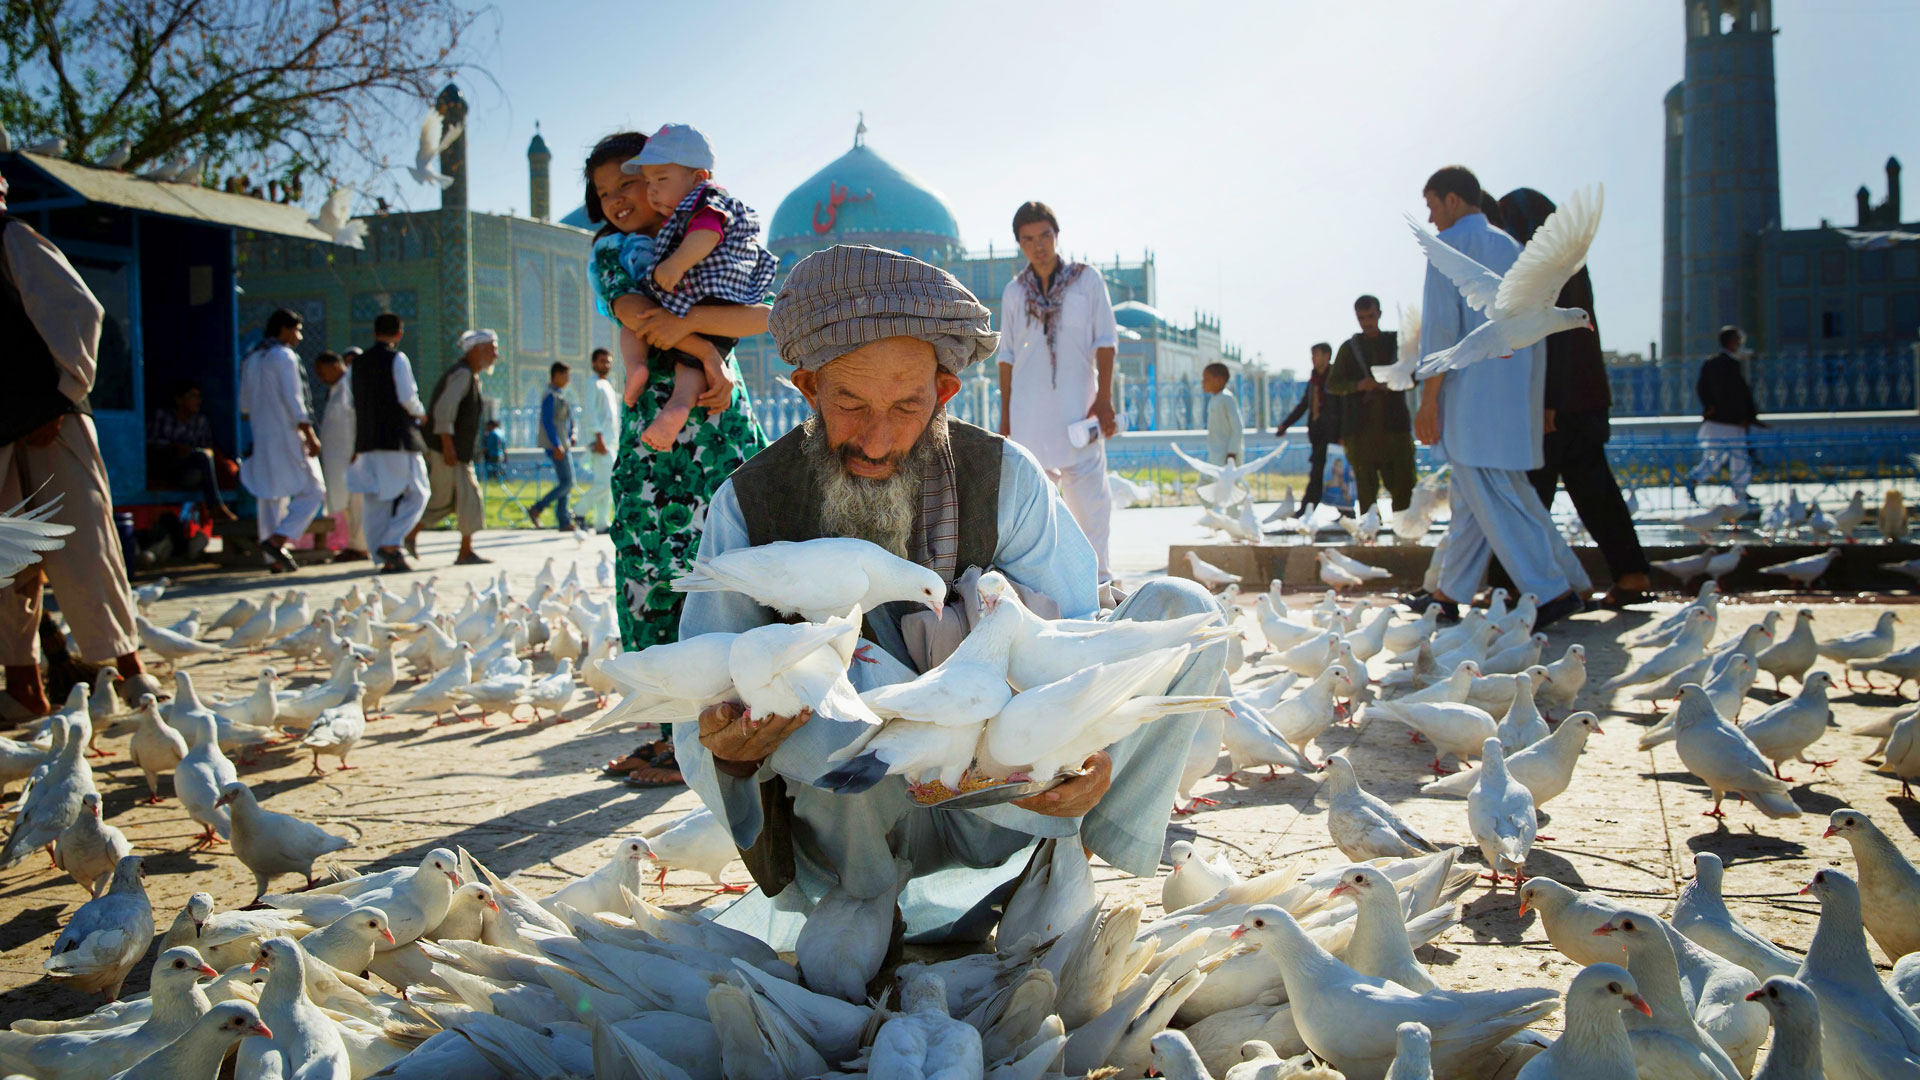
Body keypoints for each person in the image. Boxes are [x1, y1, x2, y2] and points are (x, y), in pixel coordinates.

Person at [678, 244, 1228, 949]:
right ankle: (866, 915)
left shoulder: (1006, 479)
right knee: (819, 690)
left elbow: (1076, 646)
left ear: (943, 391)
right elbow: (697, 691)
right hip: (853, 813)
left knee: (1184, 614)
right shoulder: (751, 504)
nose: (877, 440)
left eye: (906, 405)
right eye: (849, 403)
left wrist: (1093, 758)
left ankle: (1063, 868)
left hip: (1009, 797)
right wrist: (728, 748)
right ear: (806, 387)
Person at [583, 130, 773, 789]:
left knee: (722, 572)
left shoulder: (706, 237)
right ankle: (673, 734)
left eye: (634, 182)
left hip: (716, 428)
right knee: (652, 576)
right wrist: (708, 349)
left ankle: (723, 734)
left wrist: (711, 351)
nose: (622, 200)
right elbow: (635, 312)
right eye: (607, 191)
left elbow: (761, 315)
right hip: (659, 440)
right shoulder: (613, 252)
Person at [0, 172, 151, 720]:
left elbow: (80, 312)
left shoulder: (11, 239)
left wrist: (60, 397)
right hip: (1, 432)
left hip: (51, 424)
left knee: (86, 549)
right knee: (7, 561)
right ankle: (24, 686)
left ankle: (131, 677)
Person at [1410, 166, 1585, 630]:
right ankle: (1450, 593)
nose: (1431, 220)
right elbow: (1539, 332)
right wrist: (1532, 405)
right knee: (1477, 497)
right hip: (1510, 399)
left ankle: (1551, 592)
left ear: (1452, 200)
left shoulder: (1451, 248)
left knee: (1493, 497)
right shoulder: (1511, 247)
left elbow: (1441, 331)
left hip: (1471, 398)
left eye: (1431, 206)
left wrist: (1428, 403)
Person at [1496, 188, 1651, 608]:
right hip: (1585, 400)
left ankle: (1512, 587)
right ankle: (1631, 575)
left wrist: (1547, 404)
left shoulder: (1550, 273)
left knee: (1525, 496)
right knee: (1595, 492)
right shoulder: (1571, 266)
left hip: (1557, 407)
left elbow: (1557, 343)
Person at [618, 122, 778, 451]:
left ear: (698, 178)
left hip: (714, 297)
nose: (652, 191)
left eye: (661, 179)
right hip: (683, 300)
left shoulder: (708, 201)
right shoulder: (674, 218)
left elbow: (707, 235)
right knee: (633, 325)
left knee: (688, 370)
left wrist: (676, 264)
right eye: (648, 182)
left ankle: (677, 408)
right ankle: (636, 368)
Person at [996, 201, 1120, 582]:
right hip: (1029, 416)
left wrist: (1103, 399)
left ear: (1056, 235)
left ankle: (1098, 583)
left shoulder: (1087, 280)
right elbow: (1007, 356)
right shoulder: (1016, 292)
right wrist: (1005, 416)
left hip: (1078, 412)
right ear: (1019, 244)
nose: (1039, 246)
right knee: (1037, 511)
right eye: (1028, 239)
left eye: (1045, 236)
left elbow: (1106, 340)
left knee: (1091, 506)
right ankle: (1048, 588)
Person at [237, 308, 326, 573]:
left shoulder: (251, 359)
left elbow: (244, 405)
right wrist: (309, 434)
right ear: (284, 329)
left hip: (262, 436)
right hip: (289, 434)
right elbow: (295, 400)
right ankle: (278, 540)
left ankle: (273, 558)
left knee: (269, 494)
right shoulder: (285, 357)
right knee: (314, 490)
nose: (298, 337)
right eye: (297, 330)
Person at [347, 312, 429, 574]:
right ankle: (391, 543)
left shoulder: (357, 363)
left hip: (368, 440)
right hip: (396, 438)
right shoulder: (397, 359)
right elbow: (407, 396)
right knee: (418, 492)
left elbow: (351, 401)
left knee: (377, 498)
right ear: (399, 334)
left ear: (373, 332)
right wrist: (420, 412)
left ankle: (382, 555)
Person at [412, 328, 498, 565]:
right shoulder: (461, 375)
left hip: (456, 452)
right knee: (450, 499)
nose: (495, 356)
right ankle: (408, 536)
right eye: (491, 350)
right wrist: (448, 445)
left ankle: (463, 550)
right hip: (447, 451)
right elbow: (443, 411)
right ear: (476, 350)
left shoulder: (470, 375)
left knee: (457, 500)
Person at [1325, 295, 1417, 512]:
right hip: (1360, 432)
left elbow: (1416, 377)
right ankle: (1370, 538)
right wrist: (1359, 385)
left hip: (1394, 430)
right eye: (1362, 317)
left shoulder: (1397, 343)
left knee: (1404, 487)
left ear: (1380, 315)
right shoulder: (1349, 348)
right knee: (1366, 493)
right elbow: (1333, 385)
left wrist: (1394, 382)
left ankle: (1405, 539)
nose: (1366, 322)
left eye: (1371, 316)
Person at [1685, 325, 1762, 505]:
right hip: (1730, 421)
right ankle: (1739, 492)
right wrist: (1745, 416)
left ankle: (1696, 480)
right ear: (1733, 342)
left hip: (1717, 420)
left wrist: (1709, 407)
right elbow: (1737, 393)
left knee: (1717, 456)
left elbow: (1701, 387)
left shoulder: (1712, 363)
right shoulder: (1730, 365)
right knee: (1737, 456)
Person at [146, 380, 238, 523]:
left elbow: (209, 448)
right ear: (179, 400)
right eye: (192, 396)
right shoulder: (162, 417)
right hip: (167, 467)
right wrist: (175, 448)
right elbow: (150, 443)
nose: (198, 401)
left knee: (204, 457)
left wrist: (194, 451)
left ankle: (215, 506)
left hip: (190, 470)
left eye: (199, 397)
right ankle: (214, 506)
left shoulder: (200, 421)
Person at [313, 352, 368, 562]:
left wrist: (359, 449)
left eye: (321, 371)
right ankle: (353, 545)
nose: (320, 376)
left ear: (335, 366)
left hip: (352, 457)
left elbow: (362, 418)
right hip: (338, 460)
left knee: (357, 502)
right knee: (345, 503)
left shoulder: (351, 385)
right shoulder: (336, 389)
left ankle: (361, 546)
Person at [1276, 343, 1341, 510]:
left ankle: (1308, 509)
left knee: (1326, 472)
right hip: (1317, 433)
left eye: (1316, 355)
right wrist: (1285, 425)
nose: (1313, 359)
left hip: (1333, 434)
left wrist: (1343, 434)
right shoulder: (1314, 381)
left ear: (1327, 356)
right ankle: (1340, 512)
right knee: (1322, 471)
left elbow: (1344, 407)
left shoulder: (1335, 379)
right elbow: (1304, 405)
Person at [529, 362, 576, 530]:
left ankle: (563, 521)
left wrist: (572, 434)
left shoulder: (559, 395)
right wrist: (556, 445)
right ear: (556, 375)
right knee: (568, 483)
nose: (568, 380)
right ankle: (538, 508)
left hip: (563, 443)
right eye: (565, 376)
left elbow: (567, 420)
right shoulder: (550, 395)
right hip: (556, 445)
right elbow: (548, 422)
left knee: (566, 482)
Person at [579, 347, 621, 529]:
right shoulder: (592, 383)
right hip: (601, 442)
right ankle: (579, 511)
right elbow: (590, 413)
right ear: (594, 363)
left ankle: (601, 522)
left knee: (605, 485)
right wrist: (598, 438)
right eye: (602, 361)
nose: (606, 364)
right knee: (607, 482)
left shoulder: (607, 385)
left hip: (611, 441)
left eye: (608, 361)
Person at [1202, 362, 1244, 466]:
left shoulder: (1227, 399)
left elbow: (1237, 427)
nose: (1203, 382)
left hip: (1226, 455)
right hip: (1215, 453)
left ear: (1219, 380)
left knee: (1226, 481)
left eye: (1206, 379)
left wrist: (1232, 452)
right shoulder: (1214, 399)